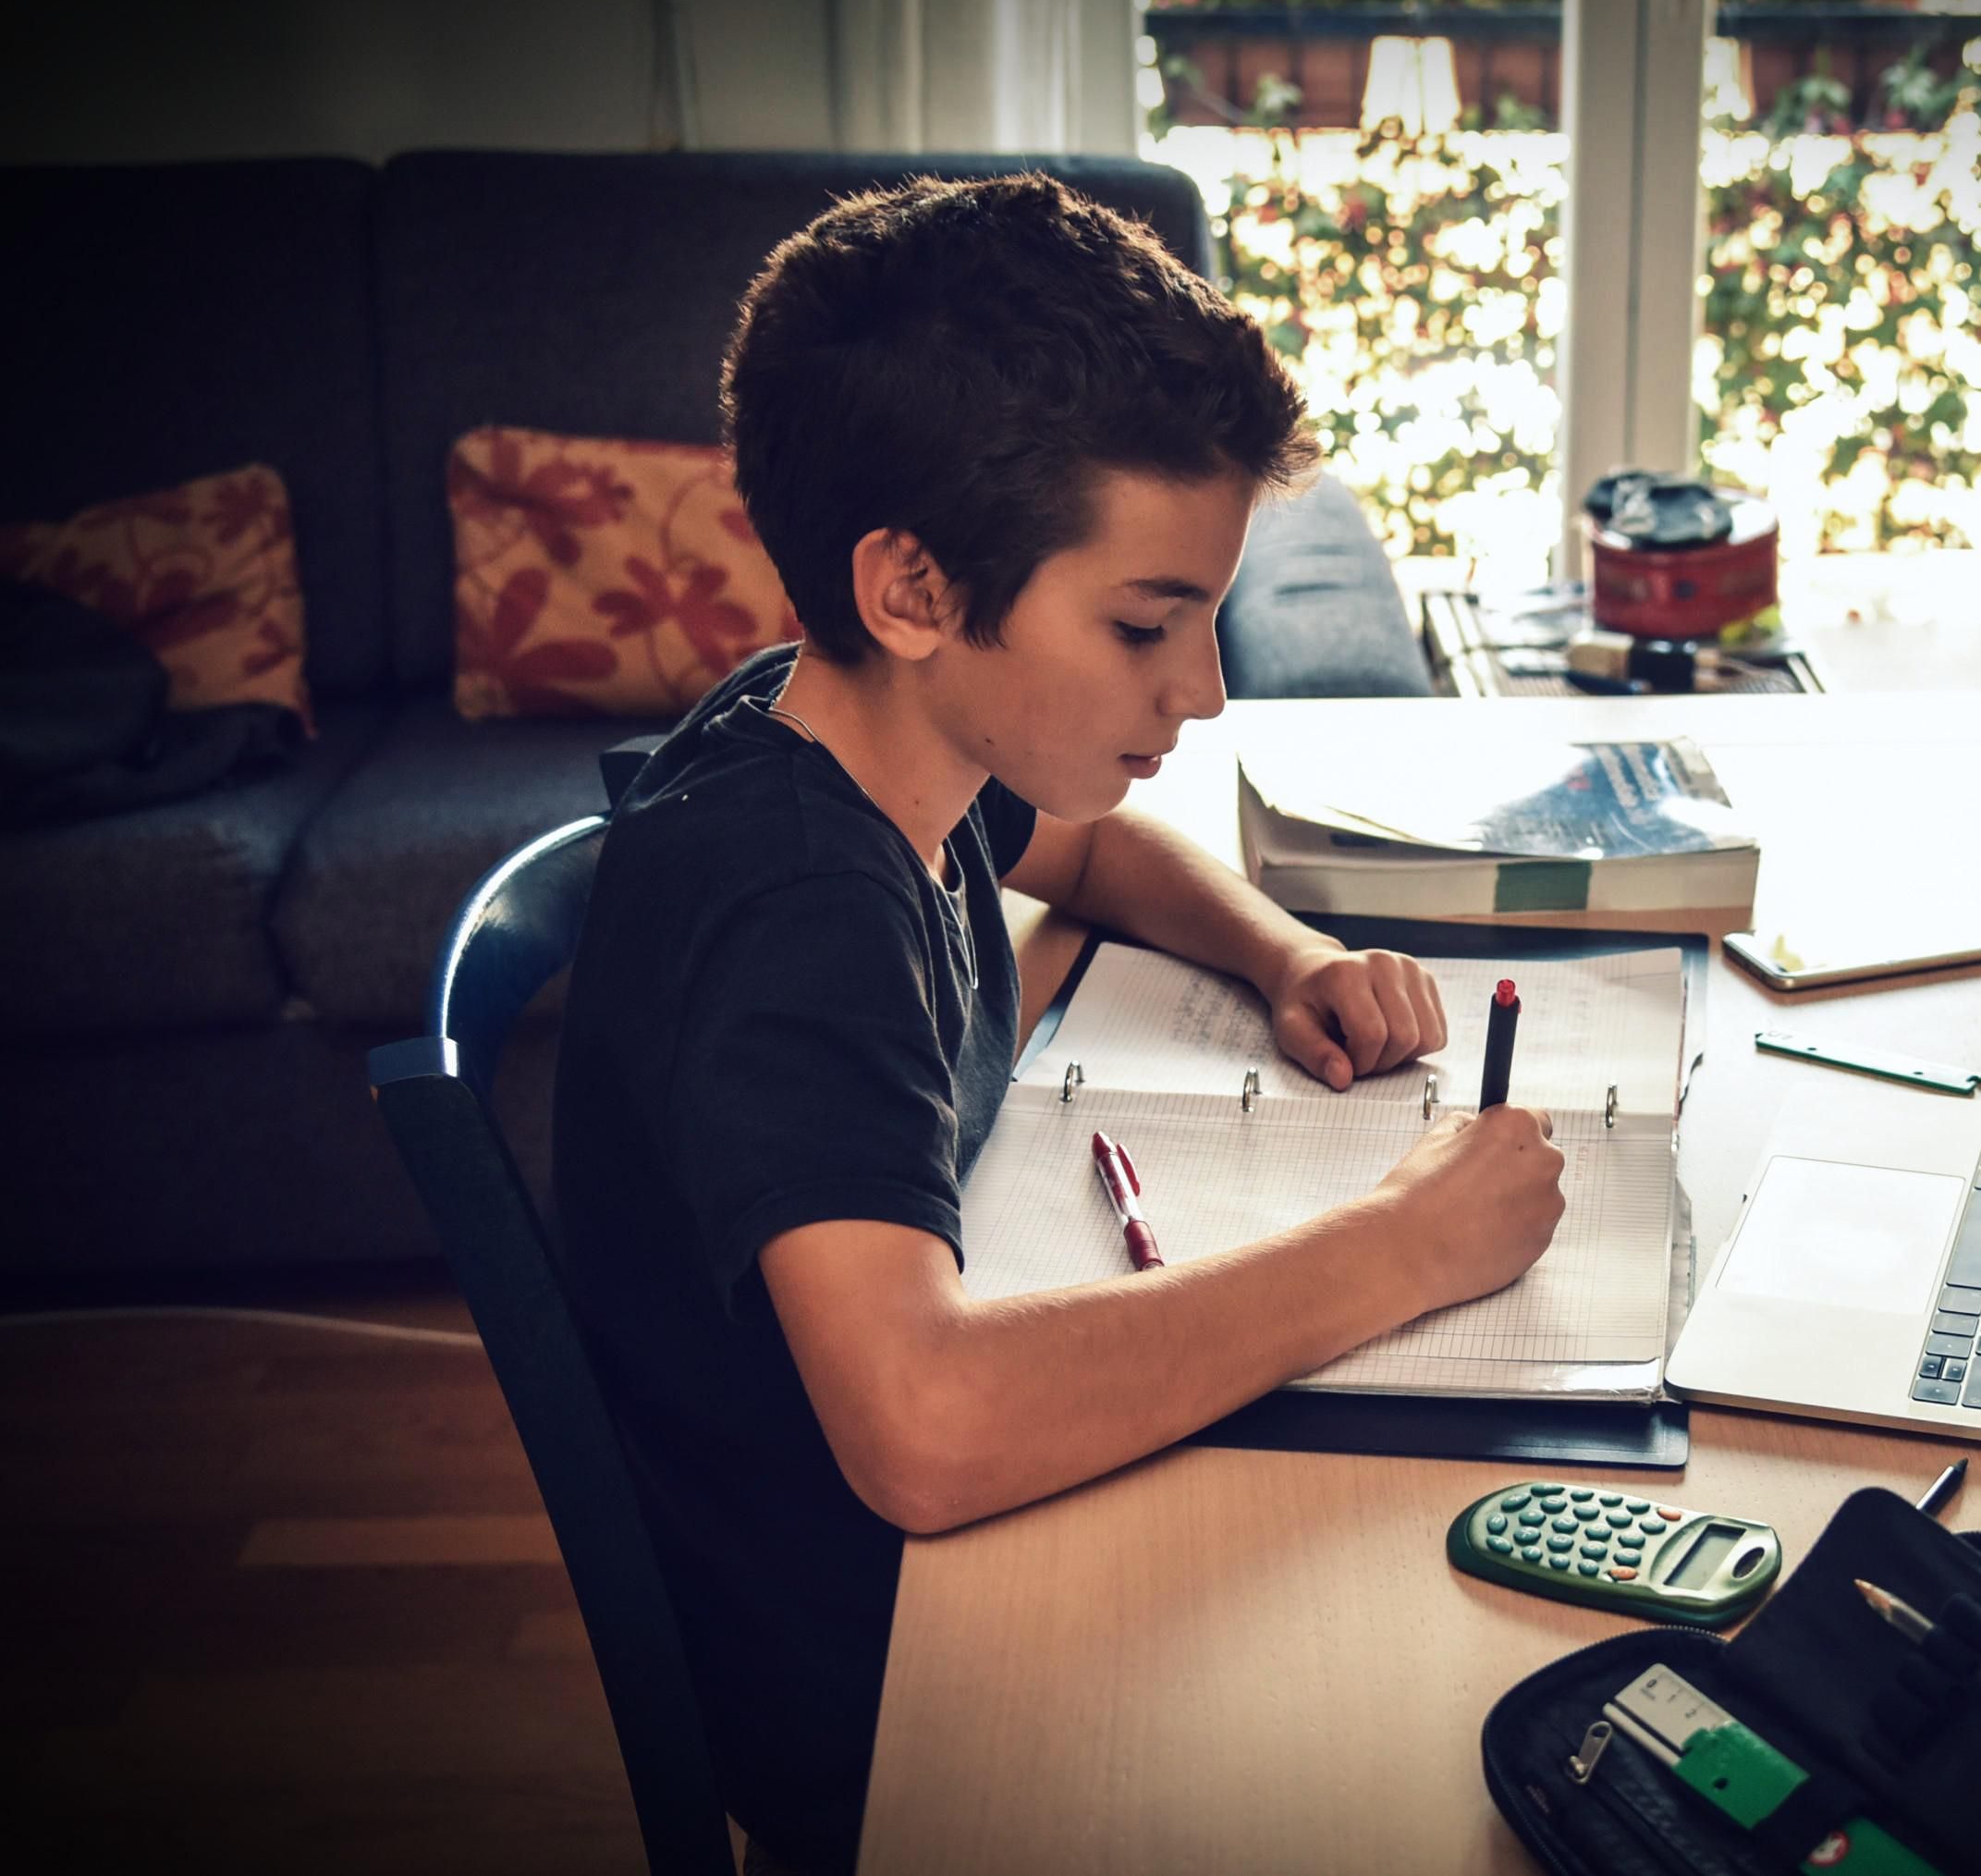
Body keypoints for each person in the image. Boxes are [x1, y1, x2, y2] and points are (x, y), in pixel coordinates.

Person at [548, 174, 1567, 1875]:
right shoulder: (790, 905)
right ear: (914, 589)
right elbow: (929, 1428)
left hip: (941, 1552)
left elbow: (1084, 844)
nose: (1205, 690)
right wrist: (1400, 1241)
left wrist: (1279, 946)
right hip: (889, 1675)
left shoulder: (877, 742)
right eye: (1145, 625)